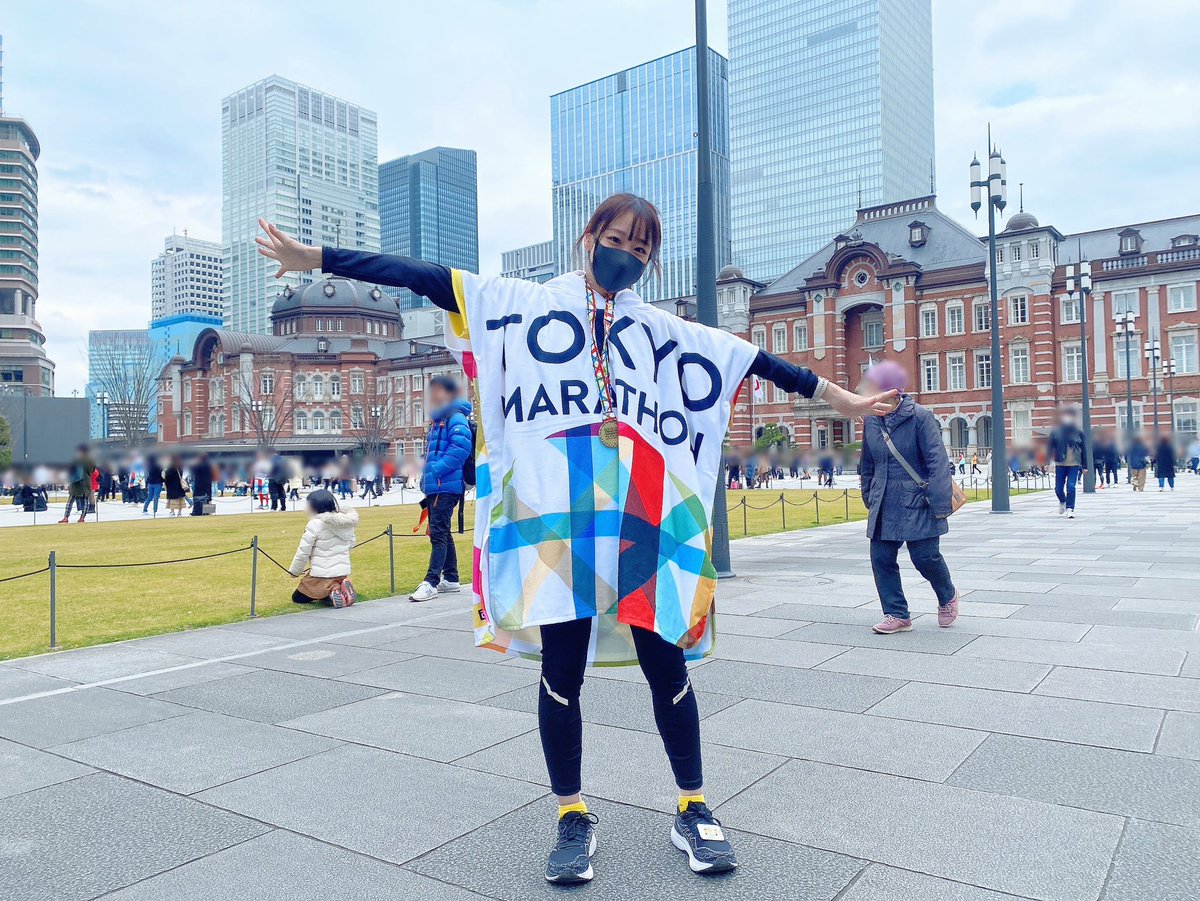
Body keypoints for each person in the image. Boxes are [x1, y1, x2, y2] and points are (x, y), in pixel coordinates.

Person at [257, 194, 895, 884]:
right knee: (561, 670)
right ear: (589, 236)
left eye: (642, 250)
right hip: (557, 516)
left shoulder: (660, 329)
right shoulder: (524, 303)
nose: (627, 256)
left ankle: (694, 805)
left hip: (642, 516)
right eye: (617, 240)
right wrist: (314, 258)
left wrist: (843, 399)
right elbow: (422, 275)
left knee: (665, 661)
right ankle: (571, 813)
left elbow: (757, 361)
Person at [858, 361, 959, 635]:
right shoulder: (870, 421)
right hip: (884, 500)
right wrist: (869, 494)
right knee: (881, 558)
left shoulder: (921, 417)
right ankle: (897, 614)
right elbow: (867, 463)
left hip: (919, 500)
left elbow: (937, 462)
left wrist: (939, 504)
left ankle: (947, 595)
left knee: (925, 557)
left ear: (890, 391)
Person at [409, 375, 474, 602]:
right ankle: (452, 578)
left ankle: (431, 582)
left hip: (445, 485)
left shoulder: (455, 417)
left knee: (437, 534)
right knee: (442, 531)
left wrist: (436, 471)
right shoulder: (438, 421)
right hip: (437, 486)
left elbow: (461, 448)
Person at [288, 488, 358, 607]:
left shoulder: (314, 524)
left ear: (314, 506)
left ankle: (333, 590)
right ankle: (339, 588)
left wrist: (295, 571)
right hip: (342, 572)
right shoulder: (345, 522)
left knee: (298, 597)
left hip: (322, 574)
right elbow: (351, 543)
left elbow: (303, 551)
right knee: (322, 591)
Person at [1048, 405, 1085, 519]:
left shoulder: (1078, 432)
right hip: (1060, 463)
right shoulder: (1056, 431)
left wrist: (1085, 465)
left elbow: (1084, 449)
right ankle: (1062, 501)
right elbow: (1050, 447)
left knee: (1071, 486)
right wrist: (1047, 462)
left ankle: (1070, 508)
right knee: (1058, 488)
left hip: (1074, 463)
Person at [60, 445, 96, 524]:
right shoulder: (91, 460)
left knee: (70, 501)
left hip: (76, 482)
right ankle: (82, 518)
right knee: (85, 501)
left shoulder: (76, 459)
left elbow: (70, 470)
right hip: (86, 482)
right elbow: (92, 471)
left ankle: (66, 517)